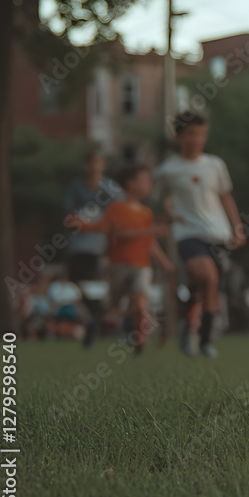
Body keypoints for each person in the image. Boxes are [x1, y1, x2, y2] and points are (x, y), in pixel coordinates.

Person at [153, 111, 246, 359]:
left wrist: (237, 227)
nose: (197, 139)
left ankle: (195, 333)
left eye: (202, 134)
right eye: (191, 134)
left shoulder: (215, 165)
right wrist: (170, 213)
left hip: (218, 233)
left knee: (205, 284)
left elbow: (225, 196)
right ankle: (204, 340)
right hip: (188, 233)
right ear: (178, 136)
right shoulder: (168, 170)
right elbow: (163, 199)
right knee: (207, 275)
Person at [72, 164, 175, 355]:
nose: (149, 185)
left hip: (142, 265)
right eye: (145, 181)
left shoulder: (146, 213)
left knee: (141, 303)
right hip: (119, 265)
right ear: (130, 183)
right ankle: (97, 327)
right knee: (111, 307)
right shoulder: (117, 209)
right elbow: (115, 232)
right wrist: (82, 224)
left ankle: (139, 341)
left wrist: (165, 262)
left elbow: (150, 243)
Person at [63, 150, 123, 347]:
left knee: (93, 283)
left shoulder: (111, 190)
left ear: (102, 165)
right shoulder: (76, 188)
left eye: (96, 162)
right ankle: (96, 314)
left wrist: (96, 228)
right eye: (89, 163)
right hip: (78, 245)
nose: (93, 167)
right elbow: (69, 218)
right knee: (76, 282)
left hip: (100, 247)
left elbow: (118, 218)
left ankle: (100, 318)